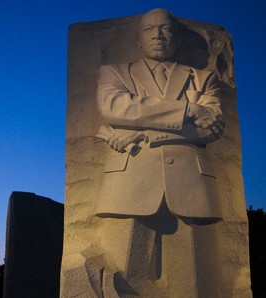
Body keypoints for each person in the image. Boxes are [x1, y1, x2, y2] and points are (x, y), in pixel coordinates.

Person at [96, 8, 225, 296]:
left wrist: (142, 127)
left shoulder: (203, 78)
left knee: (193, 282)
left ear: (176, 38)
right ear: (139, 40)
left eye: (166, 29)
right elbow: (116, 108)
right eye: (150, 30)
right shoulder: (114, 73)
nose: (158, 35)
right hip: (130, 181)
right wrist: (189, 111)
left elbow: (212, 128)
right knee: (123, 277)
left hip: (191, 183)